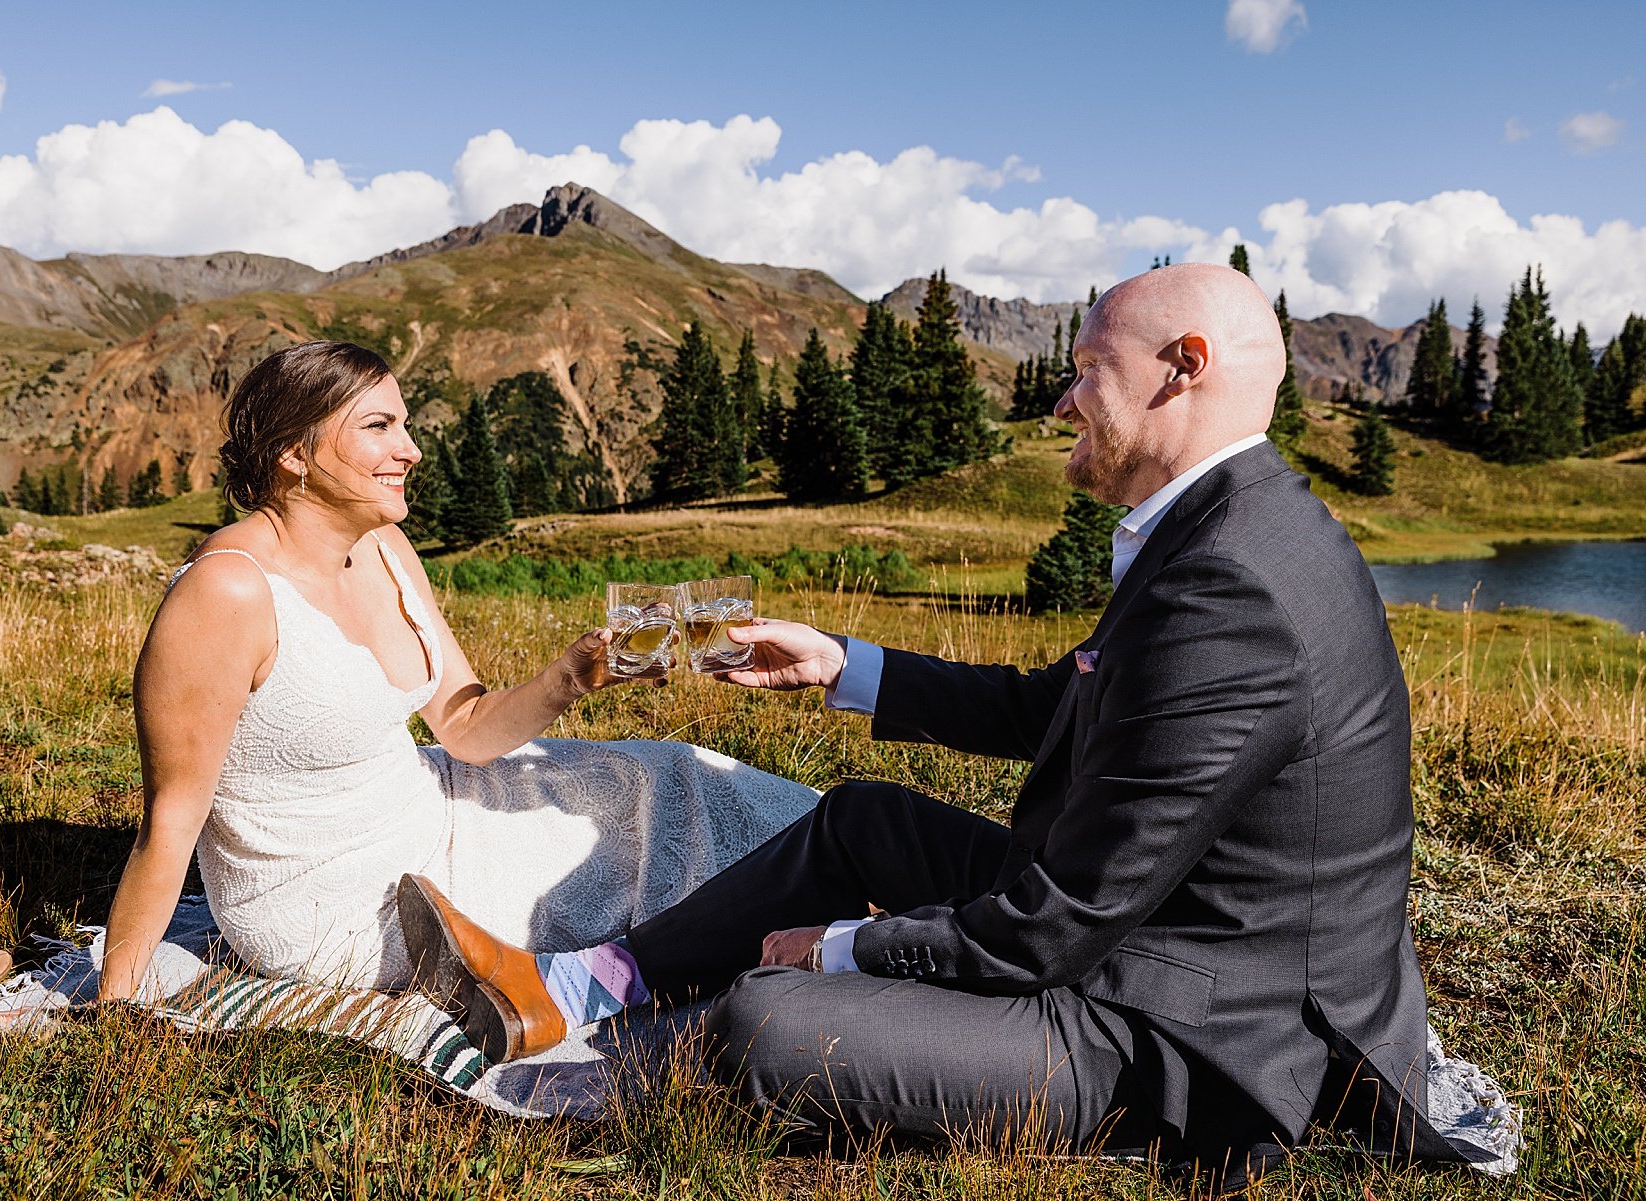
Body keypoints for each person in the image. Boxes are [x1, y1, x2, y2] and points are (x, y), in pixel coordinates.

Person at [398, 264, 1473, 1184]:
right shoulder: (1232, 522)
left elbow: (1061, 920)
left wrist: (848, 947)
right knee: (858, 821)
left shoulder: (1235, 581)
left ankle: (571, 1075)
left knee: (767, 1018)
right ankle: (574, 989)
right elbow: (1065, 707)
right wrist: (844, 666)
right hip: (1145, 934)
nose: (1064, 401)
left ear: (1182, 366)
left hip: (1184, 1022)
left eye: (1090, 368)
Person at [96, 341, 816, 1014]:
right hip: (325, 894)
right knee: (611, 854)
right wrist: (115, 1005)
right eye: (380, 426)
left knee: (655, 776)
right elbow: (170, 822)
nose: (410, 450)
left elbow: (466, 729)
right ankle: (818, 923)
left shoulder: (384, 545)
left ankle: (856, 848)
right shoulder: (226, 594)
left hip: (426, 796)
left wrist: (573, 675)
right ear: (294, 451)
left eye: (405, 425)